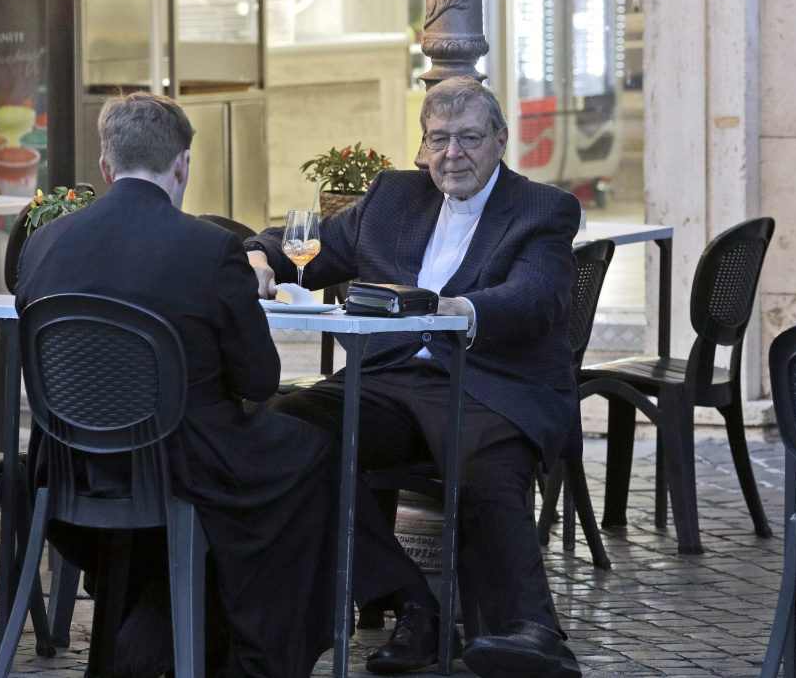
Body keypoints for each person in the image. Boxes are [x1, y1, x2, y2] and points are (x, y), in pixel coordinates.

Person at [245, 77, 582, 678]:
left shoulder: (542, 207)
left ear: (501, 140)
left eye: (469, 138)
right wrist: (257, 255)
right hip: (389, 376)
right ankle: (413, 606)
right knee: (289, 433)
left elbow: (537, 296)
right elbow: (302, 246)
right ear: (424, 145)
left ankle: (533, 632)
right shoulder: (392, 196)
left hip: (487, 379)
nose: (453, 154)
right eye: (439, 139)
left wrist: (457, 308)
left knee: (486, 468)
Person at [16, 92, 340, 678]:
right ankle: (254, 659)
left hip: (69, 465)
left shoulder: (43, 242)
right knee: (312, 455)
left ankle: (154, 639)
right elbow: (260, 379)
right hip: (183, 463)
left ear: (105, 165)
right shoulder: (211, 248)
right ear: (183, 164)